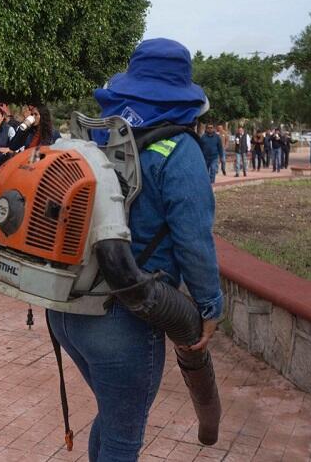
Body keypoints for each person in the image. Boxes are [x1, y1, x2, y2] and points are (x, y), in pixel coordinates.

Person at [46, 38, 223, 461]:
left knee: (112, 417)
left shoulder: (95, 138)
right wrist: (209, 307)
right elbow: (194, 241)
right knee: (123, 438)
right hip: (124, 321)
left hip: (65, 310)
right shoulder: (178, 151)